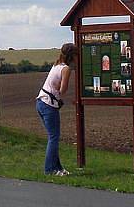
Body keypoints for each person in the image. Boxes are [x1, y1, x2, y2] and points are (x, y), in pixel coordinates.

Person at [36, 42, 76, 176]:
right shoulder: (66, 69)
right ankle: (49, 169)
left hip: (41, 101)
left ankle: (58, 168)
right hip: (49, 105)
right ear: (72, 56)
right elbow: (62, 90)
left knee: (53, 137)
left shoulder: (56, 65)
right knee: (53, 137)